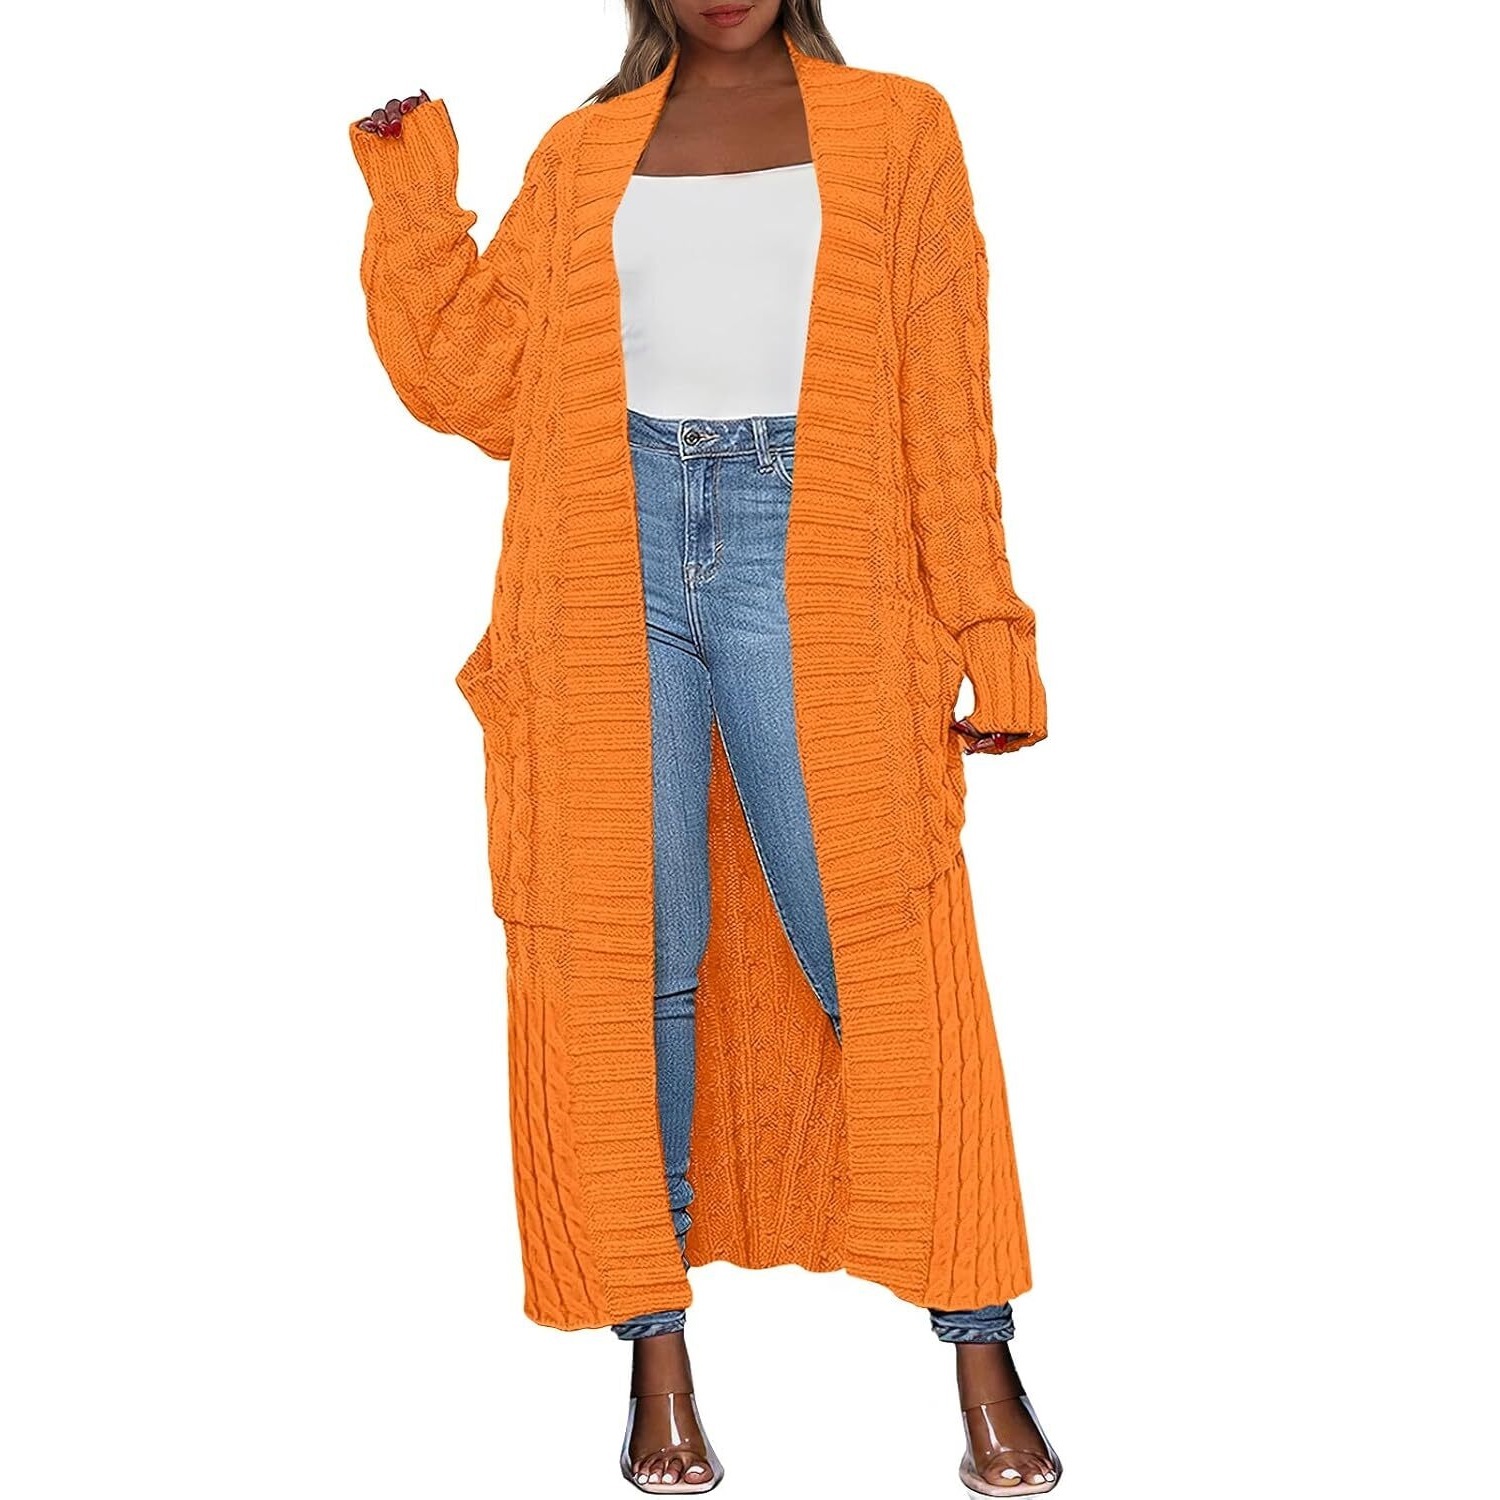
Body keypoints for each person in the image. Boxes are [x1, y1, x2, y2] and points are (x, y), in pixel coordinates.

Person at [350, 3, 1060, 1493]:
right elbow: (478, 381)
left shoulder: (900, 129)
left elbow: (946, 395)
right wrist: (414, 190)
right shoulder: (586, 149)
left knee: (885, 952)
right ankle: (657, 1363)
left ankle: (981, 1352)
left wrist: (989, 622)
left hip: (817, 550)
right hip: (608, 557)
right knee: (635, 967)